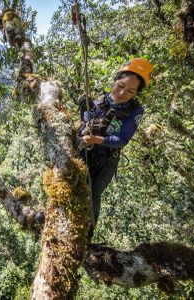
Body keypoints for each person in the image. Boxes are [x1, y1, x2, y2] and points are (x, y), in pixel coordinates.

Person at [77, 58, 153, 235]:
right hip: (85, 152)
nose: (121, 93)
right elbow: (86, 123)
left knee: (93, 194)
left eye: (130, 91)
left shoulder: (135, 112)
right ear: (115, 80)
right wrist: (85, 112)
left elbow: (123, 139)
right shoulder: (98, 101)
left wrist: (97, 140)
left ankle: (87, 235)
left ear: (135, 94)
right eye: (120, 85)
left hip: (106, 160)